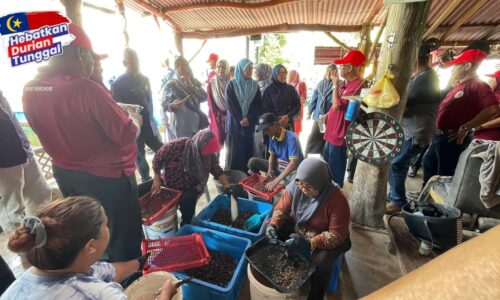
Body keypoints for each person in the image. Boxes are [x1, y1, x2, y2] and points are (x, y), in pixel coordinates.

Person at [22, 24, 143, 262]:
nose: (92, 65)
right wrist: (135, 120)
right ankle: (129, 283)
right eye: (91, 58)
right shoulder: (84, 88)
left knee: (88, 233)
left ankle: (98, 274)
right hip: (107, 179)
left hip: (67, 175)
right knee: (122, 240)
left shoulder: (31, 88)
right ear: (79, 55)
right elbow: (125, 134)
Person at [2, 196, 177, 300]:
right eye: (105, 224)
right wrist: (166, 292)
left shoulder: (34, 276)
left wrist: (140, 262)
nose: (108, 227)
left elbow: (110, 271)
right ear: (91, 246)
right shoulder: (98, 294)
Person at [265, 157, 351, 300]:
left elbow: (336, 234)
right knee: (273, 233)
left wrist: (311, 243)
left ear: (321, 184)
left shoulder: (337, 200)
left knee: (320, 263)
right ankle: (285, 267)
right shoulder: (296, 185)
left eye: (309, 187)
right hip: (302, 226)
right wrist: (273, 225)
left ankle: (316, 294)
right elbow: (282, 208)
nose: (304, 190)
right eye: (301, 185)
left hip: (328, 237)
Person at [423, 49, 499, 186]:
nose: (453, 69)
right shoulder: (461, 84)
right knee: (429, 165)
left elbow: (492, 109)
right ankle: (425, 201)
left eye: (457, 65)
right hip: (440, 136)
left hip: (452, 138)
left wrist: (467, 127)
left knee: (444, 175)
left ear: (467, 65)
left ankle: (440, 206)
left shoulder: (478, 85)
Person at [386, 45, 441, 214]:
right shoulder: (421, 76)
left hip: (416, 131)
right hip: (411, 129)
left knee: (396, 164)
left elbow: (405, 103)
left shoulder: (425, 78)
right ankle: (395, 195)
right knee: (395, 163)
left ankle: (397, 201)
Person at [152, 129, 231, 225]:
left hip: (189, 188)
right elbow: (157, 157)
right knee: (150, 198)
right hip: (169, 185)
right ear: (199, 146)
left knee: (188, 201)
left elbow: (217, 169)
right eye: (206, 152)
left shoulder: (209, 155)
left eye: (210, 153)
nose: (209, 155)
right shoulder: (177, 145)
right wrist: (156, 178)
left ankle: (186, 224)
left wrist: (227, 186)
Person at [0, 91, 51, 233]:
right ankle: (24, 250)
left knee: (41, 195)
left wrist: (25, 145)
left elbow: (10, 117)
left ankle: (44, 239)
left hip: (22, 149)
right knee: (13, 209)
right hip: (4, 160)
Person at [111, 48, 163, 183]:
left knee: (161, 149)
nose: (135, 65)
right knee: (140, 157)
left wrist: (153, 122)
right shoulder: (118, 84)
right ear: (124, 63)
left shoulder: (145, 79)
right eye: (131, 62)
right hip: (134, 126)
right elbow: (117, 109)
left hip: (149, 125)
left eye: (137, 61)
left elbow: (149, 102)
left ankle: (167, 174)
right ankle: (147, 181)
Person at [322, 50, 366, 187]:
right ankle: (326, 192)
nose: (339, 69)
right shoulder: (344, 83)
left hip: (340, 134)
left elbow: (337, 105)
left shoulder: (358, 85)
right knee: (326, 165)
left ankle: (336, 195)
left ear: (350, 67)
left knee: (336, 169)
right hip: (331, 132)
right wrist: (327, 115)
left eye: (342, 66)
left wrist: (334, 84)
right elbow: (333, 108)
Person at [248, 113, 304, 191]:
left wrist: (275, 181)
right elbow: (272, 155)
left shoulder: (291, 138)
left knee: (296, 186)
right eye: (264, 130)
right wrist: (270, 169)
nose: (266, 132)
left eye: (267, 129)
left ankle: (282, 182)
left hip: (292, 171)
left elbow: (293, 164)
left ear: (275, 125)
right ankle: (277, 180)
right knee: (252, 162)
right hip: (279, 167)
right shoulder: (272, 136)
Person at [224, 58, 262, 173]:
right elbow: (230, 103)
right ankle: (234, 176)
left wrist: (249, 118)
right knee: (234, 152)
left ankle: (246, 176)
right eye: (248, 68)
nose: (250, 71)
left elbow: (257, 104)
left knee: (247, 150)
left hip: (248, 124)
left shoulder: (255, 85)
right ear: (241, 69)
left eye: (251, 68)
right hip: (235, 124)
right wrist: (240, 118)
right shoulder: (232, 84)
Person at [162, 56, 208, 140]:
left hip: (197, 123)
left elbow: (204, 97)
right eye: (177, 66)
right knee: (184, 151)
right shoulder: (171, 84)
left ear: (187, 67)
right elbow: (164, 104)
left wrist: (191, 84)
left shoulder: (195, 82)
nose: (180, 67)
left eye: (183, 65)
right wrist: (173, 105)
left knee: (195, 151)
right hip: (182, 126)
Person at [306, 64, 337, 155]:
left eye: (331, 72)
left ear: (335, 73)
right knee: (315, 136)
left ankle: (322, 156)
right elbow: (314, 99)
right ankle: (308, 154)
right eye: (327, 71)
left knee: (326, 137)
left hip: (331, 116)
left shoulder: (338, 84)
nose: (329, 74)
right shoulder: (320, 84)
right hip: (320, 116)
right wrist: (309, 112)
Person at [262, 64, 301, 131]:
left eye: (284, 73)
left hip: (288, 124)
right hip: (273, 125)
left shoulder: (290, 89)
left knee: (288, 140)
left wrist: (287, 116)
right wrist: (277, 120)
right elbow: (265, 108)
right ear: (274, 74)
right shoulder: (269, 90)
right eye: (279, 73)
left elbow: (297, 105)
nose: (282, 75)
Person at [207, 59, 230, 147]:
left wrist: (228, 115)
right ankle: (215, 160)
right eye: (218, 67)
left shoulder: (232, 84)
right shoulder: (211, 84)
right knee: (217, 142)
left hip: (230, 116)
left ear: (227, 69)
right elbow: (210, 103)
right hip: (217, 116)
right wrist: (219, 115)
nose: (221, 69)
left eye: (223, 67)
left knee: (229, 144)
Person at [471, 70, 500, 139]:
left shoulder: (497, 96)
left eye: (493, 78)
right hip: (475, 134)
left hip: (489, 136)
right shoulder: (489, 94)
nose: (489, 80)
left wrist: (480, 126)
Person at [252, 63, 273, 158]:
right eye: (254, 71)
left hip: (268, 121)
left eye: (256, 72)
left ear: (263, 72)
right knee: (257, 146)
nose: (254, 74)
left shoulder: (272, 87)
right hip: (257, 120)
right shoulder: (254, 85)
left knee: (269, 146)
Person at [287, 70, 307, 136]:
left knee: (296, 128)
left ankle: (296, 142)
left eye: (291, 74)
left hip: (297, 109)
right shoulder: (287, 84)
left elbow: (304, 97)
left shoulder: (301, 84)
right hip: (288, 109)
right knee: (289, 127)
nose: (289, 76)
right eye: (289, 74)